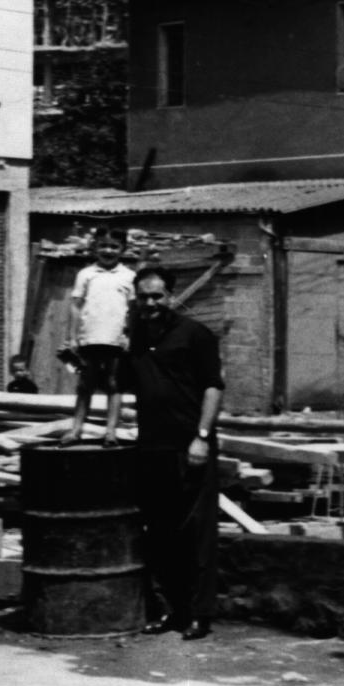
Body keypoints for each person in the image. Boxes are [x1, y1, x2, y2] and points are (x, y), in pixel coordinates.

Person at [121, 264, 224, 641]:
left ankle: (200, 615)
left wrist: (201, 436)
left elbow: (213, 388)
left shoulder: (196, 335)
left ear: (171, 296)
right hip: (152, 448)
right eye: (144, 296)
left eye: (157, 296)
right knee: (162, 534)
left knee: (197, 533)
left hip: (190, 447)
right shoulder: (134, 339)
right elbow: (122, 383)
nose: (150, 303)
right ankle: (172, 611)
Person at [60, 229, 137, 446]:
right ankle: (76, 429)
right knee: (86, 384)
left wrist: (128, 335)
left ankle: (110, 431)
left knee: (114, 384)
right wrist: (73, 337)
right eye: (103, 245)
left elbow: (132, 310)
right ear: (94, 247)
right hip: (90, 338)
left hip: (115, 339)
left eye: (114, 246)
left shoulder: (129, 276)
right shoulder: (86, 274)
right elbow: (75, 306)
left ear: (123, 249)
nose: (108, 251)